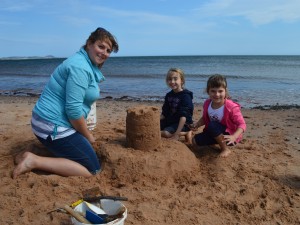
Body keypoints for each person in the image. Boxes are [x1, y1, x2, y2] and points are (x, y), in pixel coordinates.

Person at [13, 27, 119, 178]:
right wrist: (88, 137)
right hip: (52, 126)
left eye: (108, 50)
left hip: (45, 121)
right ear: (89, 43)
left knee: (83, 150)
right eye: (101, 46)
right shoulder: (81, 67)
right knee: (92, 169)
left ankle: (38, 151)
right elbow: (73, 111)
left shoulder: (82, 61)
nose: (104, 53)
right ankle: (34, 161)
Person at [191, 74, 246, 157]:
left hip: (229, 137)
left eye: (220, 91)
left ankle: (225, 149)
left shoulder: (231, 107)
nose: (217, 94)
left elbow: (242, 124)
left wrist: (234, 136)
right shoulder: (207, 103)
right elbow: (205, 118)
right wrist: (197, 124)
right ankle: (215, 142)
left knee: (212, 125)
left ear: (225, 91)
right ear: (208, 91)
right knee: (195, 140)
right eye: (213, 91)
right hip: (214, 133)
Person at [160, 68, 194, 144]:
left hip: (184, 123)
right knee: (154, 127)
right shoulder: (168, 95)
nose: (172, 82)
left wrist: (176, 135)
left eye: (175, 79)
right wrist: (155, 120)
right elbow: (164, 113)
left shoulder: (186, 96)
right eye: (169, 79)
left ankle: (186, 132)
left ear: (182, 80)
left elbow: (183, 117)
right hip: (171, 120)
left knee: (165, 133)